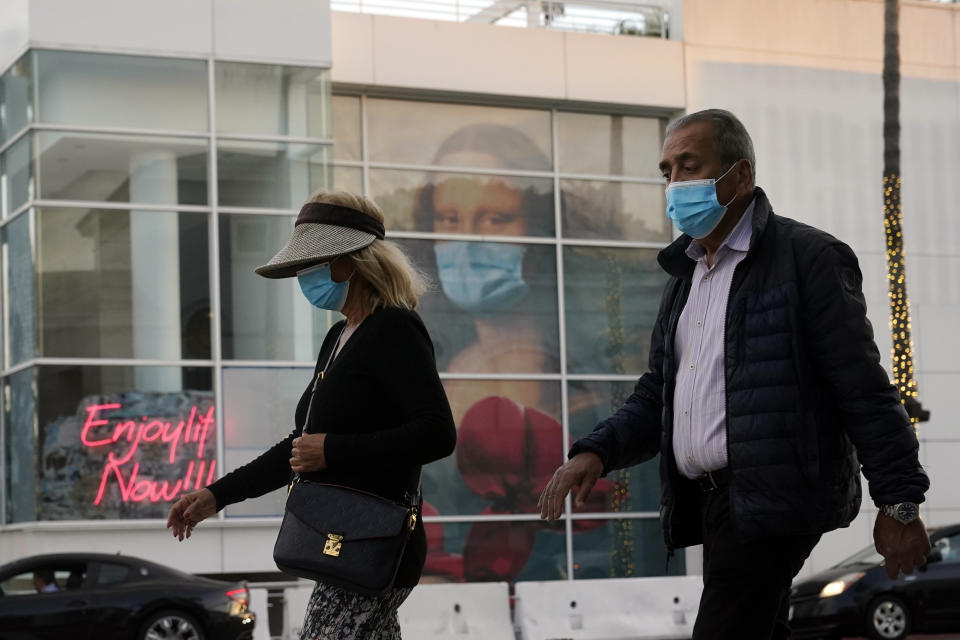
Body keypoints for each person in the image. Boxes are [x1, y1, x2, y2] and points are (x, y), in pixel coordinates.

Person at [538, 109, 931, 639]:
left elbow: (860, 386)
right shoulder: (686, 278)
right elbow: (659, 393)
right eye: (667, 171)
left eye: (689, 166)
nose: (676, 184)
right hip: (714, 501)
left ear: (740, 176)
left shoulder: (808, 258)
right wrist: (597, 450)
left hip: (776, 494)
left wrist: (899, 501)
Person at [167, 190, 457, 640]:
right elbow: (301, 448)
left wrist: (333, 450)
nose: (306, 275)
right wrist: (215, 496)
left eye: (314, 261)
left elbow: (437, 433)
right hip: (341, 539)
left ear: (351, 261)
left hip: (372, 540)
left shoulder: (394, 327)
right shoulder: (341, 335)